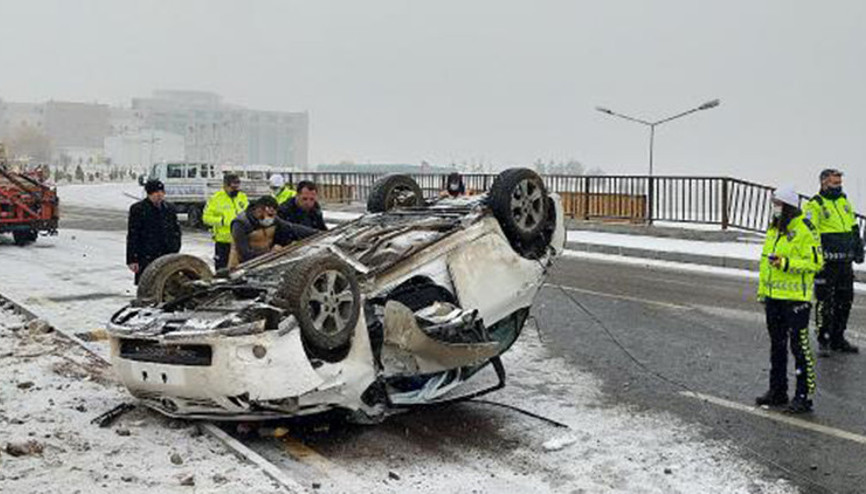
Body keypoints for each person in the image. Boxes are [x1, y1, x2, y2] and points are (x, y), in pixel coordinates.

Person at [756, 185, 824, 414]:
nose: (774, 208)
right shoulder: (774, 229)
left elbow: (816, 263)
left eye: (777, 204)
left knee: (800, 347)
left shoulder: (805, 228)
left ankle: (804, 396)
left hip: (796, 299)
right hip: (774, 298)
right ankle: (777, 391)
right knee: (777, 345)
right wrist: (763, 292)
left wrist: (786, 264)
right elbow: (765, 263)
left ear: (788, 206)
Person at [804, 168, 864, 354]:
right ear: (823, 183)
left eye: (839, 183)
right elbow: (809, 235)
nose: (838, 186)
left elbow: (853, 227)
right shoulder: (815, 205)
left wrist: (858, 248)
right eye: (834, 183)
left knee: (845, 301)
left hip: (845, 263)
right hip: (826, 264)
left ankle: (838, 338)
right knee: (825, 302)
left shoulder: (843, 201)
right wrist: (817, 258)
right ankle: (824, 339)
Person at [228, 196, 318, 269]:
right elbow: (244, 254)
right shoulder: (240, 224)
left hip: (263, 262)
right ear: (259, 210)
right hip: (241, 267)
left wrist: (317, 233)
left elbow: (292, 228)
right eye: (270, 215)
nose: (272, 218)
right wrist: (271, 253)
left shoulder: (272, 219)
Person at [126, 179, 182, 284]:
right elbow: (133, 234)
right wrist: (132, 259)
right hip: (146, 254)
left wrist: (175, 247)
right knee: (148, 285)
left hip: (167, 253)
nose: (159, 195)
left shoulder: (170, 208)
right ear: (149, 193)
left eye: (161, 192)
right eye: (156, 192)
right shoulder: (138, 209)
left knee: (168, 283)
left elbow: (176, 230)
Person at [203, 174, 248, 270]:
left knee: (240, 270)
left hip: (240, 241)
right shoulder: (216, 199)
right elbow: (206, 218)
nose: (236, 190)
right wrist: (222, 221)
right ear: (225, 186)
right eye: (233, 187)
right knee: (222, 270)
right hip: (223, 241)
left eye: (237, 187)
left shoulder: (242, 197)